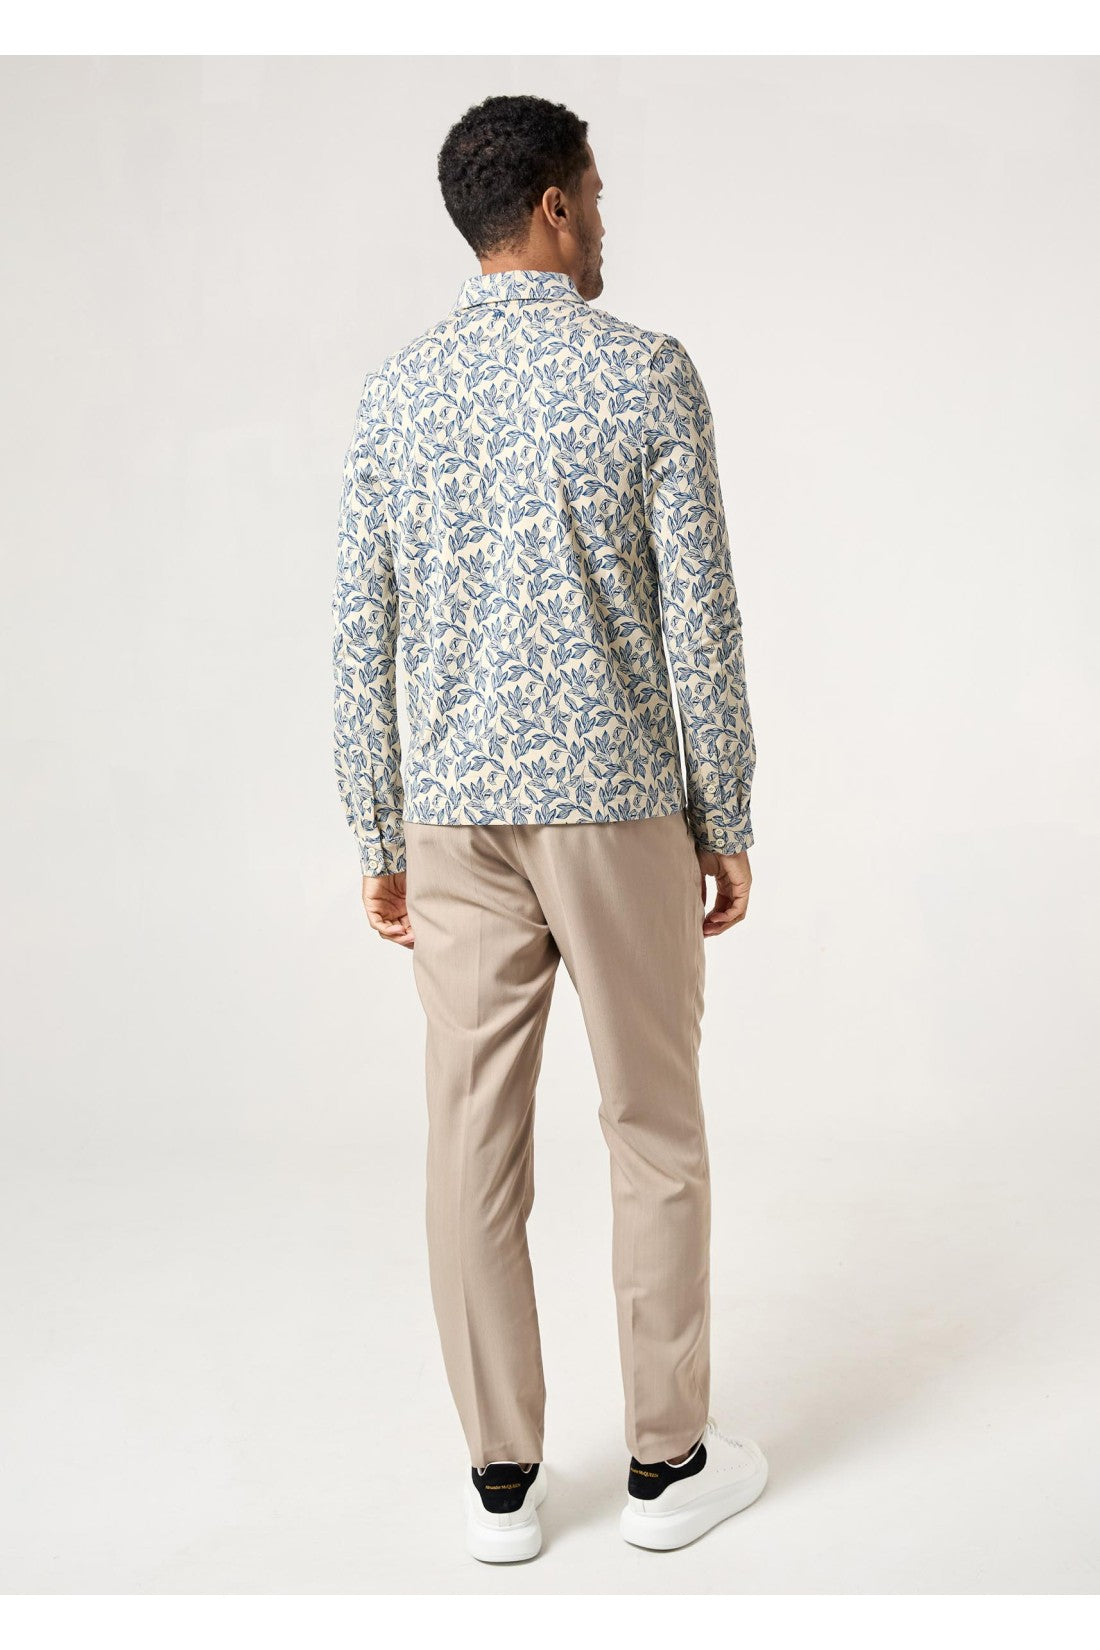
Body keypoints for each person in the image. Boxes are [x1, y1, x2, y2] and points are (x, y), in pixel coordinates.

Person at [332, 92, 767, 1562]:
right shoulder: (644, 373)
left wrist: (378, 832)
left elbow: (362, 635)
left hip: (455, 820)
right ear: (558, 206)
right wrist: (726, 809)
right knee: (654, 1123)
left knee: (470, 1145)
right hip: (619, 807)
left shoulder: (395, 394)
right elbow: (701, 620)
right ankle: (668, 1465)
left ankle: (501, 1489)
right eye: (597, 194)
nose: (605, 221)